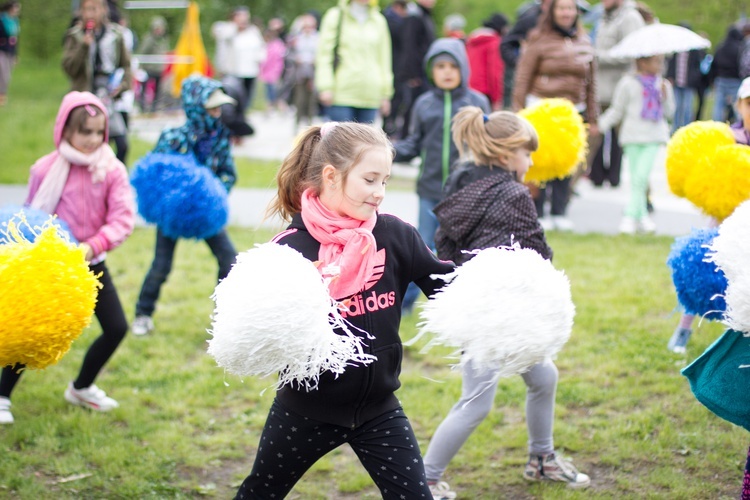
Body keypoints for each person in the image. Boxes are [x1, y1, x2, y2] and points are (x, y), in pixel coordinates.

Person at [233, 121, 455, 499]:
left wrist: (496, 283)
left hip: (378, 408)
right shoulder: (288, 250)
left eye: (385, 181)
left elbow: (448, 289)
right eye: (370, 180)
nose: (380, 193)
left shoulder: (395, 235)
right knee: (261, 492)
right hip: (305, 408)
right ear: (332, 176)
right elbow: (254, 331)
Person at [421, 107, 590, 496]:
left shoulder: (461, 182)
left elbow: (446, 244)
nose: (530, 161)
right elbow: (535, 249)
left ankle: (541, 458)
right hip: (499, 315)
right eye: (526, 153)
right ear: (504, 155)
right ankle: (425, 480)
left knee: (543, 377)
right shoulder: (512, 193)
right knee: (476, 402)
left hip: (479, 306)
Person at [0, 91, 135, 424]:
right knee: (32, 329)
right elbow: (30, 217)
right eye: (83, 131)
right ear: (65, 130)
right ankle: (2, 395)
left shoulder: (111, 169)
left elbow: (122, 219)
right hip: (50, 267)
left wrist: (93, 245)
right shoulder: (44, 168)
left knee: (117, 327)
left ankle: (81, 387)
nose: (92, 139)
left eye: (98, 132)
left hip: (90, 262)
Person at [131, 76, 238, 336]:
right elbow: (156, 174)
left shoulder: (220, 136)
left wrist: (213, 195)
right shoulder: (173, 137)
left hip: (206, 215)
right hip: (174, 216)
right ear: (195, 108)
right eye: (211, 108)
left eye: (218, 108)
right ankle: (142, 314)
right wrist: (172, 202)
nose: (217, 113)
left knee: (229, 259)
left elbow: (228, 173)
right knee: (161, 265)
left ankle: (223, 314)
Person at [394, 38, 490, 313]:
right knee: (422, 249)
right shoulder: (423, 104)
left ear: (462, 68)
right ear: (431, 71)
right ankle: (405, 305)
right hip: (430, 191)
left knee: (466, 251)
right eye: (440, 66)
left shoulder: (477, 102)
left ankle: (463, 305)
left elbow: (488, 144)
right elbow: (412, 144)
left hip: (467, 194)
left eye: (452, 66)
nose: (446, 71)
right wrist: (386, 150)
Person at [667, 76, 750, 354]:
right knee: (702, 267)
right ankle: (684, 327)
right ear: (739, 105)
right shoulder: (726, 138)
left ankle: (736, 338)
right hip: (723, 219)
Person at [512, 0, 597, 231]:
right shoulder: (538, 38)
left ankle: (560, 211)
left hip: (572, 112)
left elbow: (591, 83)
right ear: (553, 12)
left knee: (566, 162)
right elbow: (522, 77)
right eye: (562, 8)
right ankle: (538, 211)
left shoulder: (584, 40)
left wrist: (593, 117)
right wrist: (518, 113)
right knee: (541, 162)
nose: (566, 13)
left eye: (570, 8)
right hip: (542, 109)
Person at [596, 54, 675, 234]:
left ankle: (630, 216)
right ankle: (643, 218)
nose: (660, 66)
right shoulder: (628, 83)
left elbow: (670, 112)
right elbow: (617, 110)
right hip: (632, 136)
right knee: (637, 179)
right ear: (642, 62)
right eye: (657, 62)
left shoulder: (663, 85)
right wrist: (600, 126)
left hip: (653, 136)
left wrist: (664, 96)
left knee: (641, 177)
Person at [62, 0, 132, 164]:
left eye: (94, 9)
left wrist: (122, 86)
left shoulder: (116, 35)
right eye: (86, 10)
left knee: (122, 143)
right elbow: (69, 69)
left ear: (103, 10)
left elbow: (127, 66)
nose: (90, 14)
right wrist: (83, 47)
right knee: (93, 143)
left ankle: (115, 177)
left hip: (108, 94)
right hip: (84, 95)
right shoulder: (75, 36)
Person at [588, 0, 644, 189]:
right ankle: (596, 176)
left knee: (622, 138)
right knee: (597, 133)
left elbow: (633, 52)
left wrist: (598, 56)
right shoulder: (604, 18)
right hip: (601, 89)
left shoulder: (630, 18)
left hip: (621, 88)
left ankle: (619, 179)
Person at [315, 0, 393, 123]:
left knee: (366, 141)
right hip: (341, 94)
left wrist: (385, 93)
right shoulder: (335, 16)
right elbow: (325, 55)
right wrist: (325, 87)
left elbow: (384, 59)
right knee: (342, 140)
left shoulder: (379, 21)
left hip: (370, 94)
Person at [392, 0, 436, 136]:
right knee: (410, 109)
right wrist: (411, 75)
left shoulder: (424, 16)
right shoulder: (414, 17)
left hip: (424, 73)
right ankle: (405, 139)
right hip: (416, 75)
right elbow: (409, 48)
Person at [212, 7, 266, 112]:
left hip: (250, 70)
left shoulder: (253, 31)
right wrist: (235, 27)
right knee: (232, 96)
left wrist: (260, 60)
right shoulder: (226, 28)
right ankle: (231, 116)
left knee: (246, 96)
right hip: (232, 71)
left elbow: (261, 48)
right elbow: (221, 41)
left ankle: (243, 115)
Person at [665, 23, 704, 134]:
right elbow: (671, 64)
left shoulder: (694, 49)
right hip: (677, 83)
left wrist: (693, 79)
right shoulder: (675, 48)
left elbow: (698, 67)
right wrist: (670, 77)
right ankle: (675, 129)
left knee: (687, 108)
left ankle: (686, 130)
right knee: (676, 107)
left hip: (688, 84)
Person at [466, 12, 508, 111]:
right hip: (485, 93)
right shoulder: (494, 42)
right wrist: (497, 98)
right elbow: (494, 72)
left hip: (469, 89)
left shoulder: (471, 41)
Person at [288, 13, 319, 128]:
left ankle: (311, 125)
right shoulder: (296, 39)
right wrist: (296, 59)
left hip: (313, 73)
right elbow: (288, 55)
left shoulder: (318, 38)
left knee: (312, 102)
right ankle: (297, 124)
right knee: (299, 100)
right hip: (300, 74)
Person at [709, 24, 744, 123]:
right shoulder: (739, 48)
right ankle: (740, 126)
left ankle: (716, 125)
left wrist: (712, 79)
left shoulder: (720, 47)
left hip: (721, 79)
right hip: (735, 80)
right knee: (738, 106)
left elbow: (714, 64)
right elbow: (741, 65)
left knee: (718, 106)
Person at [137, 16, 169, 114]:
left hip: (158, 69)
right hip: (149, 68)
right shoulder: (149, 40)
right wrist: (141, 67)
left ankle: (154, 108)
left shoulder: (163, 40)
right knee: (145, 88)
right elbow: (143, 53)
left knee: (158, 91)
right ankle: (143, 107)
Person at [259, 26, 287, 113]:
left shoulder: (276, 45)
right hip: (269, 72)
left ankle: (277, 106)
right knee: (270, 90)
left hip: (275, 71)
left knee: (275, 90)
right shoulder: (269, 45)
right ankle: (272, 106)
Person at [0, 1, 20, 106]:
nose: (17, 10)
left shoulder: (15, 21)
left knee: (8, 75)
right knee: (3, 74)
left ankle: (3, 94)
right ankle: (1, 96)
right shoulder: (2, 20)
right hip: (1, 50)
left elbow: (15, 39)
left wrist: (16, 54)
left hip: (10, 51)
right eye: (16, 8)